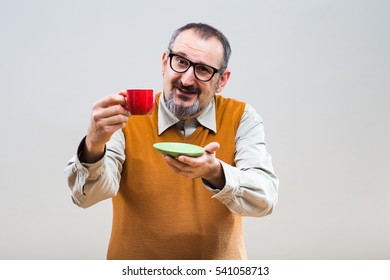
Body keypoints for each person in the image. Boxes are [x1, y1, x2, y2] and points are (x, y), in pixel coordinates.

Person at [65, 22, 279, 260]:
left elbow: (265, 199)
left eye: (204, 70)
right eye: (181, 62)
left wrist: (216, 172)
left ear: (222, 80)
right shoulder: (126, 116)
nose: (187, 80)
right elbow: (86, 197)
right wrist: (94, 145)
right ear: (165, 62)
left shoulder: (242, 117)